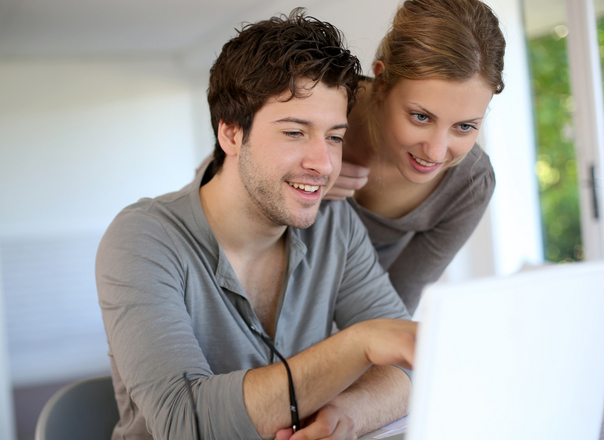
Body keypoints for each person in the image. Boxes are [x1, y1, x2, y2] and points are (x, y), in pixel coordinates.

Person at [96, 9, 417, 440]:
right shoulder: (142, 239)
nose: (323, 164)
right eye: (294, 132)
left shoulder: (334, 223)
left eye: (334, 136)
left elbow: (408, 364)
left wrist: (346, 412)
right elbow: (184, 422)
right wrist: (359, 344)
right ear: (231, 133)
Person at [324, 0, 506, 314]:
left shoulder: (470, 182)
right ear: (381, 81)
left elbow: (394, 310)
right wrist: (300, 177)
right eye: (421, 117)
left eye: (464, 126)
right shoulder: (320, 107)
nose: (436, 152)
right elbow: (221, 186)